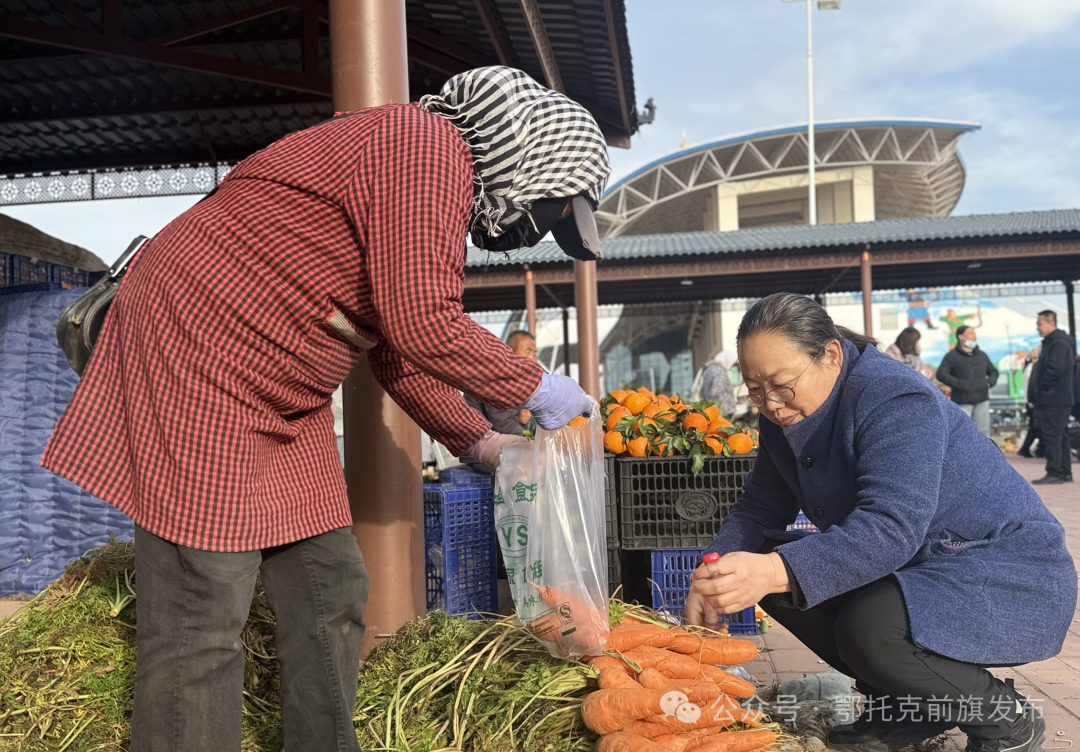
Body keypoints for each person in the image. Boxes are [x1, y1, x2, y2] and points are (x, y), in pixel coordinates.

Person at [41, 66, 607, 752]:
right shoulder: (427, 146)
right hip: (196, 353)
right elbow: (425, 323)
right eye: (552, 211)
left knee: (330, 584)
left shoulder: (433, 176)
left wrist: (484, 443)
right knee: (204, 608)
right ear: (531, 156)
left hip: (284, 387)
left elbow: (398, 348)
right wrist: (538, 388)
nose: (534, 230)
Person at [685, 293, 1074, 752]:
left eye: (782, 385)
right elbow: (759, 508)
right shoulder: (780, 418)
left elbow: (892, 527)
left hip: (999, 568)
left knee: (868, 628)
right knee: (768, 568)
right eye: (754, 390)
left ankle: (1005, 719)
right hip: (917, 564)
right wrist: (714, 569)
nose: (770, 403)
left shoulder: (894, 396)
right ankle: (910, 707)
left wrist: (773, 570)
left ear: (831, 355)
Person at [1030, 310, 1075, 484]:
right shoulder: (1056, 342)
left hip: (1054, 398)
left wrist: (1042, 388)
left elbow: (1055, 368)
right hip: (1059, 397)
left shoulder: (1058, 344)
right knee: (1061, 436)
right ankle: (1065, 472)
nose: (1037, 327)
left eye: (1039, 324)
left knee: (1052, 436)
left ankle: (1054, 473)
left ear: (1050, 322)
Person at [464, 330, 538, 436]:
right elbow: (502, 423)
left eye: (534, 353)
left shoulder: (514, 375)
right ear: (510, 351)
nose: (533, 358)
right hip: (480, 439)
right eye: (528, 351)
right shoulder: (498, 376)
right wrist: (530, 439)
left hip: (495, 436)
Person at [934, 325, 999, 437]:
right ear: (961, 337)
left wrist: (989, 383)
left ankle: (982, 450)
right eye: (970, 333)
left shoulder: (982, 355)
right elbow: (941, 374)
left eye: (974, 333)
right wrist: (959, 384)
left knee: (983, 434)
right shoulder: (952, 356)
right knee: (963, 435)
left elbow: (993, 371)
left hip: (982, 400)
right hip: (962, 401)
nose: (974, 336)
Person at [1017, 346, 1041, 458]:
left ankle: (1027, 448)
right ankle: (1025, 448)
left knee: (1034, 426)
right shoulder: (1032, 368)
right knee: (1035, 426)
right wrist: (1031, 400)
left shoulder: (1028, 368)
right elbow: (1031, 386)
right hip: (1032, 401)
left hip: (1029, 400)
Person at [700, 350, 739, 417]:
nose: (730, 365)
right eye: (730, 362)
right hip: (723, 411)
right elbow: (716, 392)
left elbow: (702, 392)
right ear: (726, 360)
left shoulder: (710, 369)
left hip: (711, 409)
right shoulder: (719, 372)